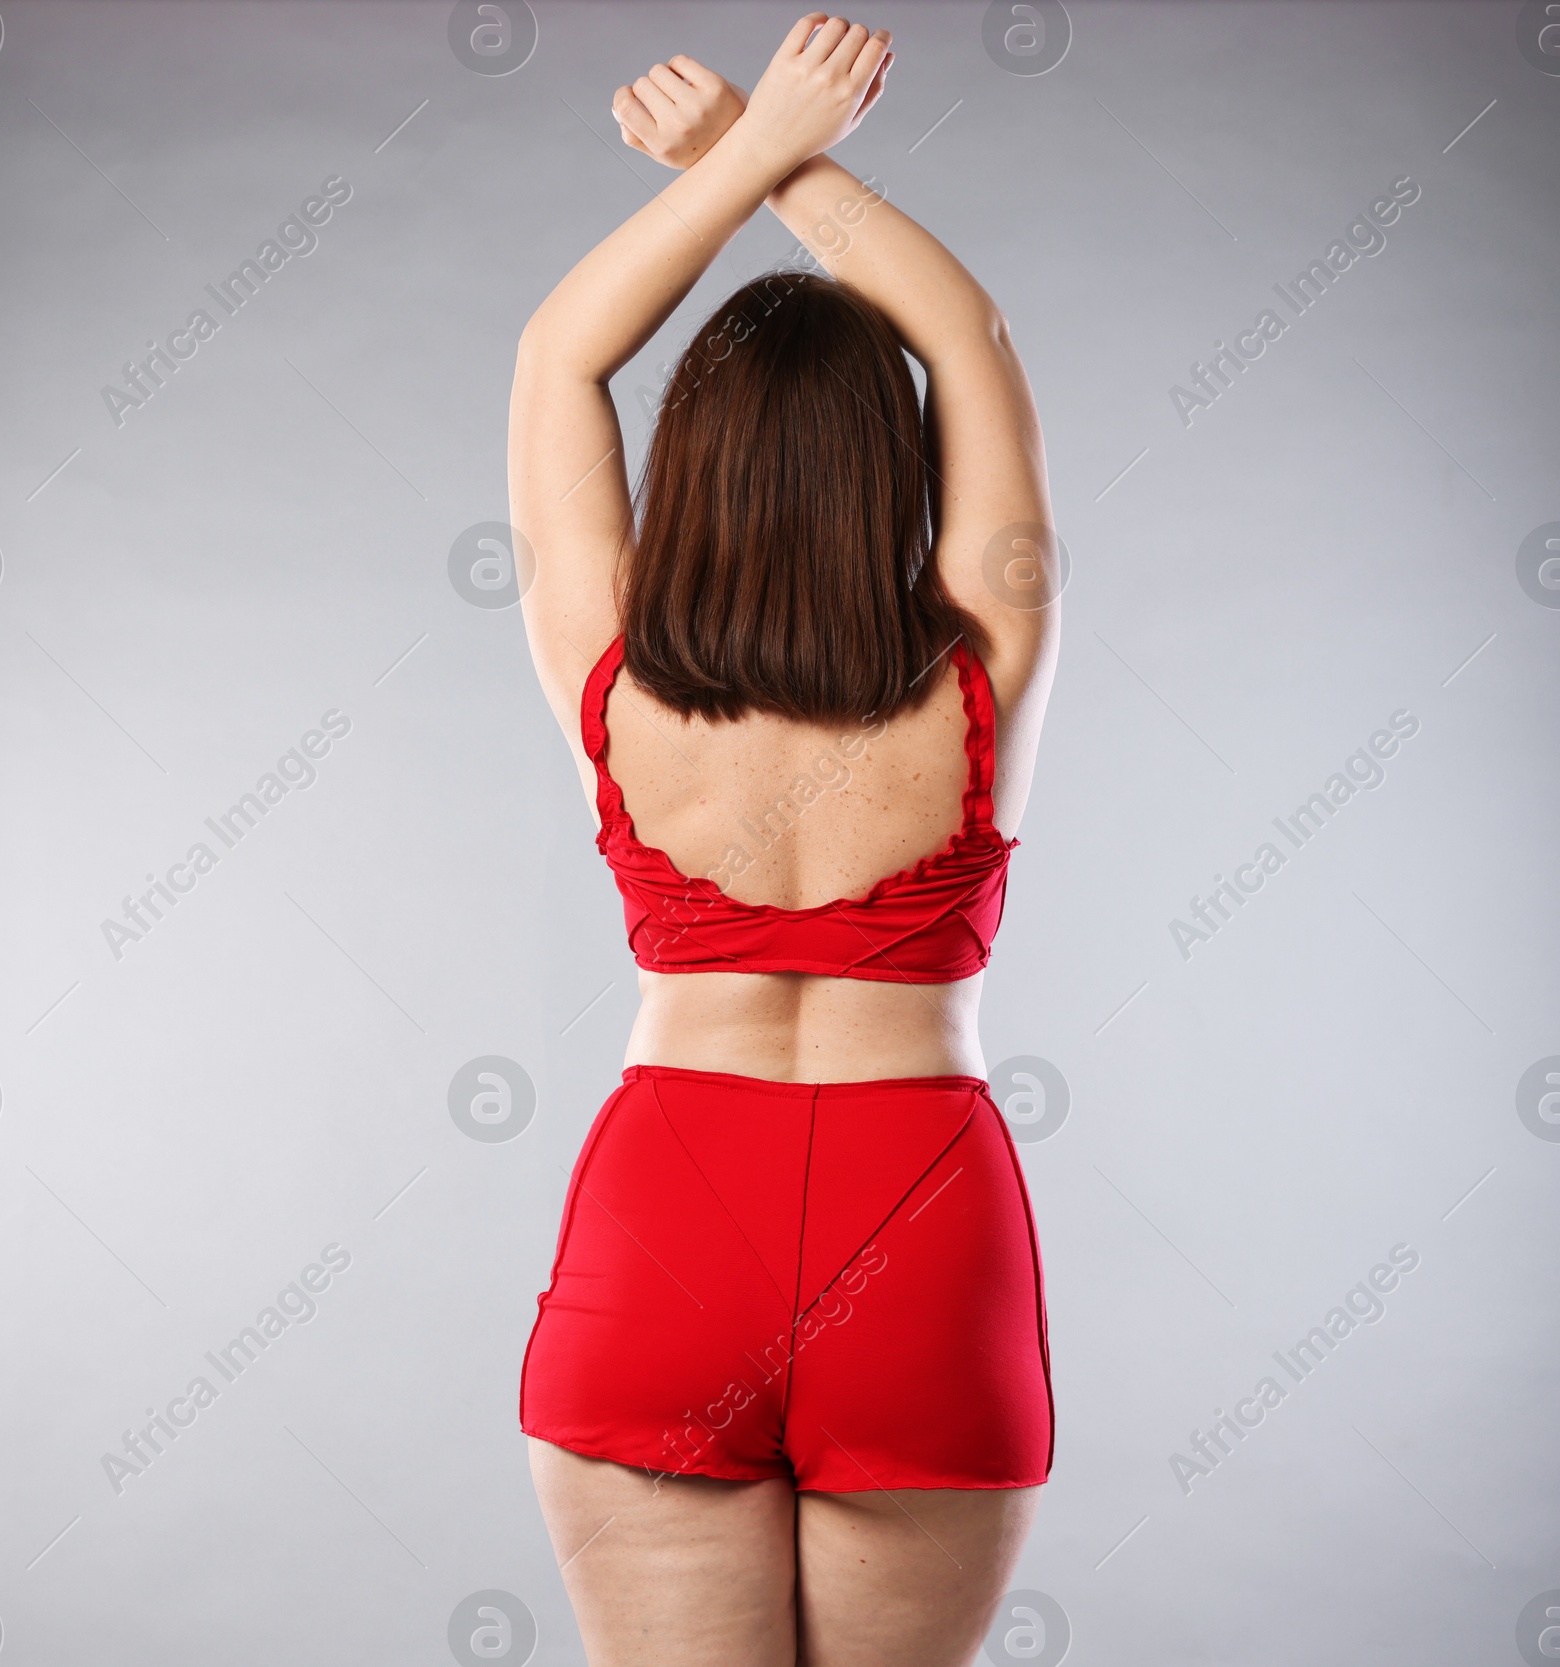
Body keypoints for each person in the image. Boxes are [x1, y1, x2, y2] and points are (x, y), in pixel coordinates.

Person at [507, 15, 1061, 1664]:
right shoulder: (983, 665)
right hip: (924, 1226)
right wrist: (785, 153)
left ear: (695, 474)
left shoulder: (612, 678)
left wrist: (733, 160)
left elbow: (557, 360)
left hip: (669, 1224)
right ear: (891, 474)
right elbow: (965, 335)